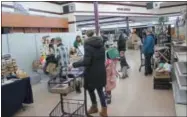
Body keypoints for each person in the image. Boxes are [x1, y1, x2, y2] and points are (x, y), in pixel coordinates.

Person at [70, 30, 107, 117]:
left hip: (92, 73)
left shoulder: (87, 46)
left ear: (87, 36)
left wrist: (73, 64)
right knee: (100, 91)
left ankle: (94, 107)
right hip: (101, 71)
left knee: (90, 90)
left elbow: (86, 62)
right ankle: (104, 111)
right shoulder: (102, 44)